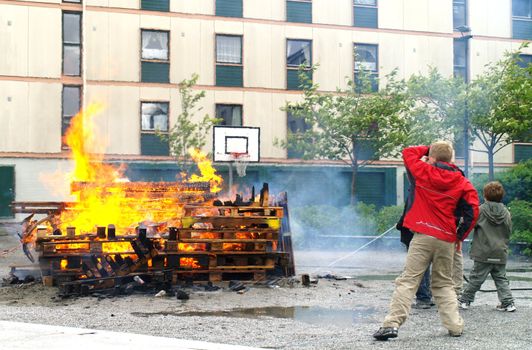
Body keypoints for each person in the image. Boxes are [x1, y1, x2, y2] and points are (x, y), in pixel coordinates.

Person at [373, 142, 479, 341]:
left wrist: (428, 148)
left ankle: (391, 325)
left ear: (432, 158)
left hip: (422, 236)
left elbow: (407, 152)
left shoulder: (422, 171)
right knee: (443, 284)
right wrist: (459, 236)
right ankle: (455, 327)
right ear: (451, 160)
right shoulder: (462, 182)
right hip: (446, 239)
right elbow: (473, 211)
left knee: (409, 280)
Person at [459, 181, 516, 312]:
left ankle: (465, 300)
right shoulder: (506, 213)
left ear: (485, 196)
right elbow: (508, 230)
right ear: (502, 196)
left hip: (483, 252)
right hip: (500, 251)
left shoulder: (480, 210)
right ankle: (508, 303)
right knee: (501, 278)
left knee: (476, 278)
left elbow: (469, 223)